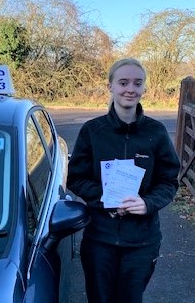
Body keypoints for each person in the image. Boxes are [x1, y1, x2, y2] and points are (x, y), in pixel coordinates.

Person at [67, 57, 180, 303]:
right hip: (100, 239)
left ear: (144, 89)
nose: (131, 89)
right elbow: (76, 177)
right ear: (111, 87)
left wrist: (148, 203)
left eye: (137, 83)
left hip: (142, 241)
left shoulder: (156, 132)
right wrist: (105, 200)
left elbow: (169, 180)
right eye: (123, 82)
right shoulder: (92, 131)